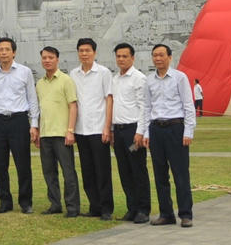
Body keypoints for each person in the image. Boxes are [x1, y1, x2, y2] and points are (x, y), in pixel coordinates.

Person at [140, 44, 196, 228]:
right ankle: (166, 214)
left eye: (161, 55)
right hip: (156, 129)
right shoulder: (149, 80)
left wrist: (188, 131)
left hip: (175, 128)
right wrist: (146, 132)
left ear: (170, 57)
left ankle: (186, 214)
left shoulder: (180, 78)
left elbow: (188, 105)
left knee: (180, 174)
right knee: (160, 174)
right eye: (155, 55)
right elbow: (147, 108)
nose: (158, 58)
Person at [0, 37, 39, 214]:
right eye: (1, 49)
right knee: (0, 164)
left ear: (14, 52)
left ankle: (25, 202)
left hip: (19, 120)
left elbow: (32, 98)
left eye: (7, 49)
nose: (4, 52)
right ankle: (5, 201)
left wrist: (34, 123)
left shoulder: (25, 72)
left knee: (23, 163)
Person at [70, 38, 113, 220]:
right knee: (87, 171)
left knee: (102, 171)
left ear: (95, 53)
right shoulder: (73, 74)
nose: (84, 54)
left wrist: (107, 127)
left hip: (98, 128)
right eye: (81, 50)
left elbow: (109, 99)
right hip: (81, 129)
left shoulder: (103, 73)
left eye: (87, 50)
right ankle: (94, 206)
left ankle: (106, 208)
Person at [35, 46, 79, 217]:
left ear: (57, 59)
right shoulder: (40, 83)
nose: (47, 60)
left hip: (62, 134)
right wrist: (38, 131)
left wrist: (70, 130)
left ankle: (72, 207)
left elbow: (73, 106)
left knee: (68, 172)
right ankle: (55, 204)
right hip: (46, 134)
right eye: (44, 57)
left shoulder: (66, 80)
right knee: (49, 172)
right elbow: (40, 109)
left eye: (50, 57)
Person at [111, 43, 150, 223]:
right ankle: (131, 208)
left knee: (138, 170)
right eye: (118, 56)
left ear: (132, 58)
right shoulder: (115, 79)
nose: (121, 59)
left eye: (125, 56)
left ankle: (143, 209)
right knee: (124, 171)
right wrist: (111, 129)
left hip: (133, 131)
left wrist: (141, 131)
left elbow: (144, 107)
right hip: (118, 131)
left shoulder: (139, 78)